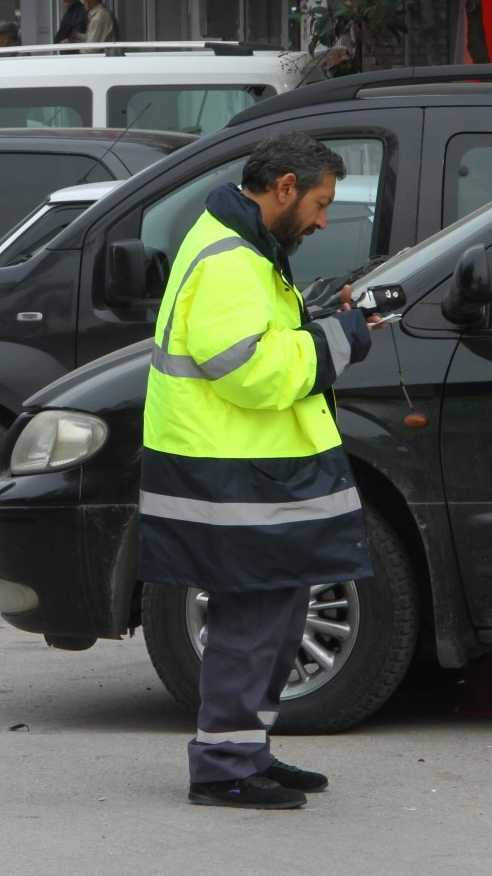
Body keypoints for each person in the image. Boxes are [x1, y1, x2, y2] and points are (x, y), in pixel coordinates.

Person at [139, 130, 377, 810]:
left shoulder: (246, 249)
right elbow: (248, 370)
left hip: (246, 473)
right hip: (228, 476)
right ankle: (222, 768)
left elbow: (258, 348)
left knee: (276, 614)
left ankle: (247, 750)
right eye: (322, 202)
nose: (325, 219)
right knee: (252, 621)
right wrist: (341, 339)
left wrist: (321, 323)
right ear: (284, 189)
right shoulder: (231, 259)